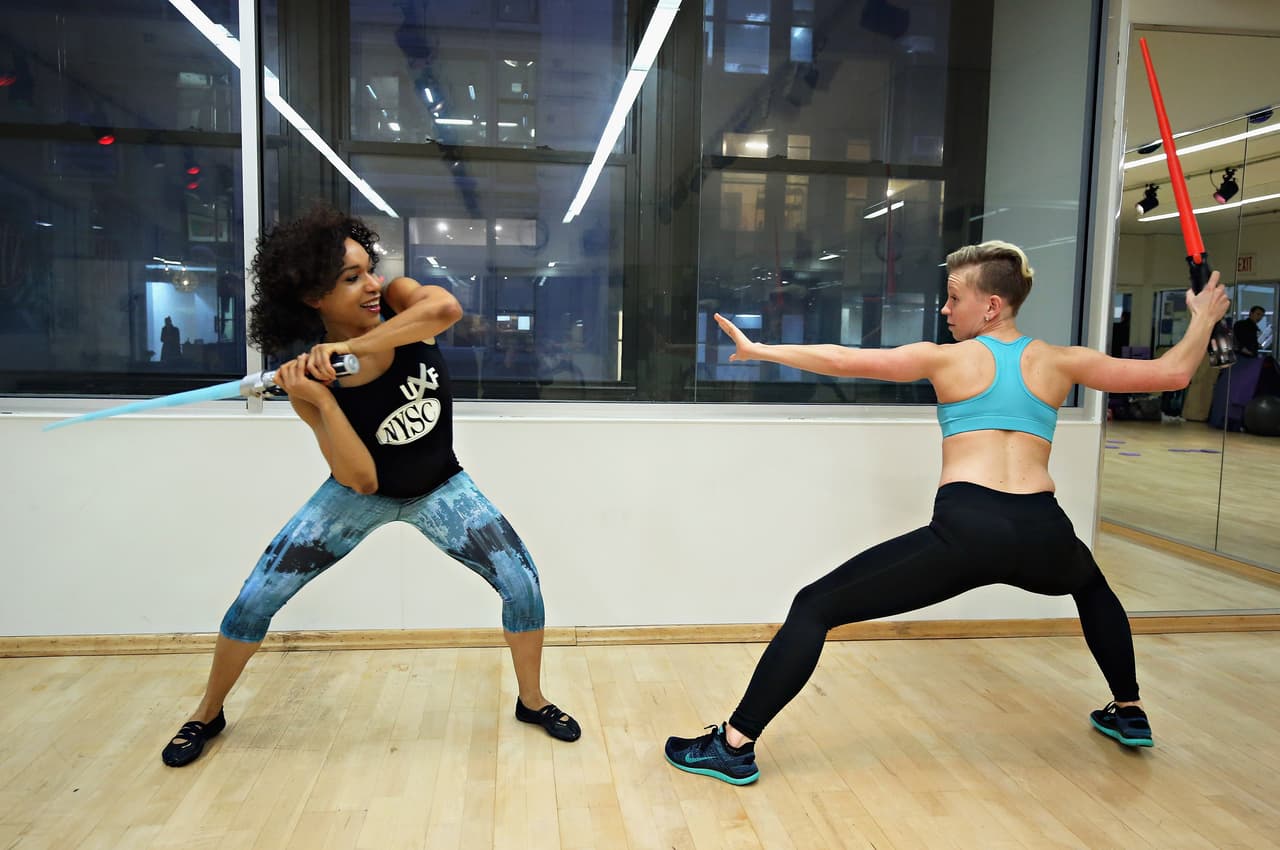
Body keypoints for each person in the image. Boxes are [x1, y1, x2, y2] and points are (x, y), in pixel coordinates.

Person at [665, 240, 1230, 785]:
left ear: (991, 305)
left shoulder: (946, 360)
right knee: (1092, 587)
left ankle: (733, 746)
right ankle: (1129, 709)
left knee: (814, 606)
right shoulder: (1061, 361)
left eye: (954, 296)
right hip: (1044, 531)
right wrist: (1202, 318)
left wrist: (761, 350)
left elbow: (847, 359)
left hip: (968, 530)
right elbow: (1173, 374)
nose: (943, 307)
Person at [161, 207, 580, 767]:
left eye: (368, 269)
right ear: (314, 297)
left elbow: (446, 308)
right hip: (359, 498)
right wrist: (320, 399)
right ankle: (207, 712)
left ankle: (532, 701)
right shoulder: (310, 375)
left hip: (441, 486)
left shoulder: (403, 299)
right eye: (351, 278)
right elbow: (359, 477)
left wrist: (349, 349)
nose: (373, 284)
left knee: (522, 584)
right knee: (255, 599)